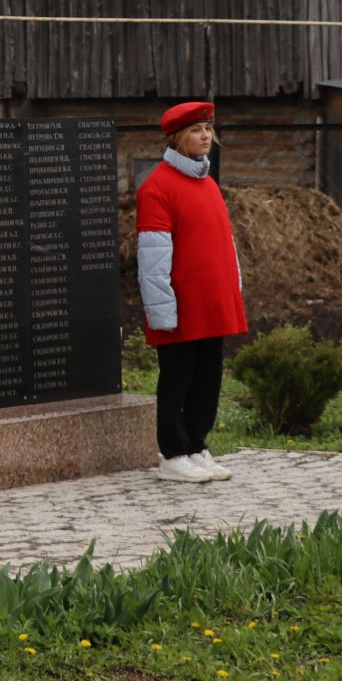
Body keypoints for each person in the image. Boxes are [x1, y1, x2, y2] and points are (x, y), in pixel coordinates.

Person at [135, 101, 246, 484]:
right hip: (181, 306)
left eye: (208, 129)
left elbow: (224, 243)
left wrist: (234, 287)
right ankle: (173, 453)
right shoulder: (157, 188)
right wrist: (161, 310)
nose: (205, 136)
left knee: (207, 378)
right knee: (177, 378)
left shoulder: (208, 184)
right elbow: (152, 258)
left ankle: (196, 445)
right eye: (197, 130)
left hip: (213, 303)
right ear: (178, 137)